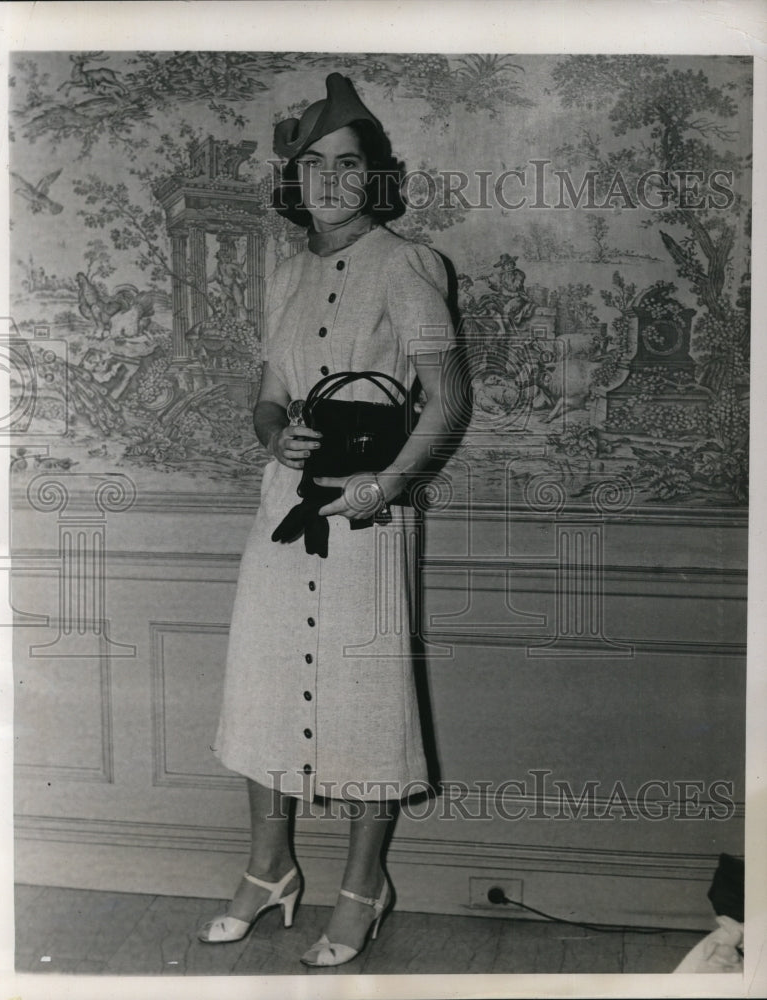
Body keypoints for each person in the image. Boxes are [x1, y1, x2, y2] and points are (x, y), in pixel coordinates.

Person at [198, 72, 462, 967]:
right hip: (285, 510)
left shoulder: (408, 263)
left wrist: (384, 486)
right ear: (295, 180)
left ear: (373, 177)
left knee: (365, 702)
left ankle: (361, 887)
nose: (330, 181)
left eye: (347, 165)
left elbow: (447, 401)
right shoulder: (283, 275)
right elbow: (266, 395)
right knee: (265, 687)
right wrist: (277, 435)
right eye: (312, 166)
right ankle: (267, 869)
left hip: (367, 514)